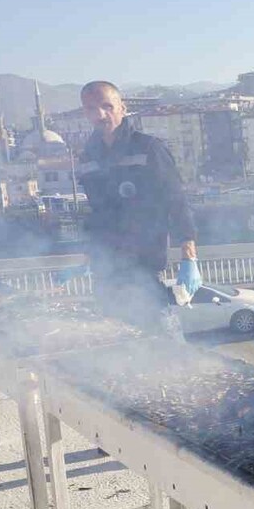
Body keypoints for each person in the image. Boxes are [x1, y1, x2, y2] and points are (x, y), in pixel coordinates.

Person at [77, 81, 197, 332]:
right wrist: (88, 254)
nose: (100, 114)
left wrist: (189, 258)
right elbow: (97, 213)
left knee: (164, 339)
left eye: (107, 106)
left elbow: (176, 201)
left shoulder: (149, 148)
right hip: (107, 270)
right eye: (91, 109)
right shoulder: (87, 157)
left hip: (145, 267)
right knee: (117, 341)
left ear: (122, 107)